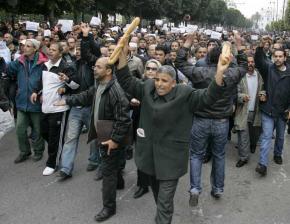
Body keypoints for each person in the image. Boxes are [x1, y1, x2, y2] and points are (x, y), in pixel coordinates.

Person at [115, 37, 231, 224]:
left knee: (165, 202)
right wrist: (121, 54)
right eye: (158, 80)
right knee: (159, 196)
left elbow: (209, 97)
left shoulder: (185, 95)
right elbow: (127, 81)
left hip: (171, 159)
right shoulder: (148, 87)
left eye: (164, 81)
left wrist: (220, 73)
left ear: (174, 84)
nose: (159, 84)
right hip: (149, 157)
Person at [54, 25, 131, 222]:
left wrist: (113, 140)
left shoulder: (116, 92)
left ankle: (109, 207)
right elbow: (87, 95)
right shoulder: (99, 83)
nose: (93, 68)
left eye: (97, 66)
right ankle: (119, 181)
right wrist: (67, 100)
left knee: (107, 172)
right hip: (104, 130)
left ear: (108, 71)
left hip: (109, 134)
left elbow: (124, 120)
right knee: (113, 165)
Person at [254, 37, 290, 176]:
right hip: (268, 110)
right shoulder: (268, 68)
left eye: (280, 56)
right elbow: (258, 60)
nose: (278, 59)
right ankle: (262, 164)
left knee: (280, 137)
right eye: (276, 56)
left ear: (285, 57)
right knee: (266, 137)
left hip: (283, 112)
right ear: (273, 57)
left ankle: (277, 154)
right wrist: (260, 46)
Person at [7, 39, 46, 163]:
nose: (25, 48)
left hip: (36, 102)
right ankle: (24, 152)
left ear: (35, 49)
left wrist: (40, 92)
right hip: (22, 101)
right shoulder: (19, 61)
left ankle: (38, 151)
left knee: (37, 130)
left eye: (28, 46)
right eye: (24, 46)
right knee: (20, 129)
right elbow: (8, 70)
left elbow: (45, 81)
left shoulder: (43, 63)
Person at [234, 55, 264, 168]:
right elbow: (234, 94)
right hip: (243, 110)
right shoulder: (239, 77)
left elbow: (264, 89)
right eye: (248, 62)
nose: (250, 64)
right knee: (243, 134)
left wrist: (263, 94)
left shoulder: (259, 76)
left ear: (254, 63)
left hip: (256, 110)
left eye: (252, 62)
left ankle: (253, 144)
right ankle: (243, 157)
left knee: (254, 132)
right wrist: (241, 97)